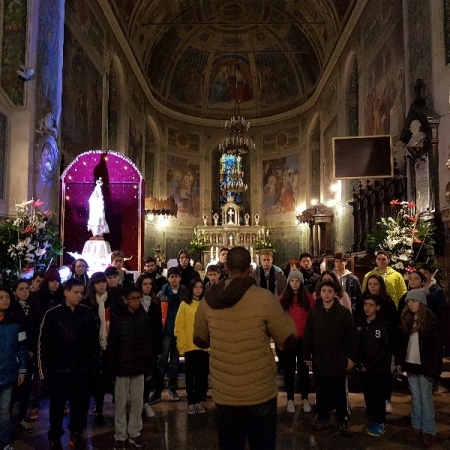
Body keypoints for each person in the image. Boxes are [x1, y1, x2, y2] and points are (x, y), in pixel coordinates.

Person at [194, 246, 297, 450]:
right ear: (250, 269)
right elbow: (288, 339)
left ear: (225, 267)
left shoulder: (209, 300)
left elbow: (200, 340)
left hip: (225, 392)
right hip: (260, 392)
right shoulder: (265, 298)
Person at [37, 278, 98, 450]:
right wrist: (43, 372)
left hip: (81, 369)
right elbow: (44, 344)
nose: (79, 296)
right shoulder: (53, 314)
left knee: (80, 406)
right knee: (56, 408)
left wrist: (94, 366)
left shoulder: (86, 313)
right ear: (66, 292)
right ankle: (55, 436)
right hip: (59, 371)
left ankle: (76, 432)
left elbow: (93, 343)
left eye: (81, 292)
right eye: (76, 292)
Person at [303, 280, 358, 435]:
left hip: (338, 358)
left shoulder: (343, 313)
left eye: (330, 291)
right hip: (320, 359)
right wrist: (307, 356)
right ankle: (322, 418)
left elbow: (352, 337)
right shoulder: (314, 312)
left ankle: (342, 419)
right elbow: (308, 336)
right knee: (321, 391)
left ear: (335, 294)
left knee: (339, 392)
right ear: (319, 293)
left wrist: (352, 357)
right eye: (324, 290)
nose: (326, 294)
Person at [108, 287, 153, 450]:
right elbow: (112, 344)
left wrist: (148, 367)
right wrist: (111, 369)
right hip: (121, 365)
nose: (136, 301)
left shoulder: (143, 317)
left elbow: (148, 343)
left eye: (138, 298)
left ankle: (134, 431)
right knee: (120, 402)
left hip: (139, 364)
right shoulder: (118, 318)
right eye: (133, 298)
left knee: (137, 401)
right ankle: (120, 434)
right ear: (125, 300)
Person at [396, 288, 441, 446]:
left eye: (413, 301)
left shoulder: (430, 321)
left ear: (421, 303)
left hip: (425, 365)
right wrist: (401, 362)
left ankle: (428, 429)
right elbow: (403, 344)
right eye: (408, 301)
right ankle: (416, 426)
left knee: (426, 398)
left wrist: (434, 368)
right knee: (415, 397)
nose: (410, 304)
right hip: (412, 364)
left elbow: (436, 347)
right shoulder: (407, 319)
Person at [82, 272, 117, 426]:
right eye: (98, 282)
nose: (102, 285)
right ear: (93, 285)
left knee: (106, 378)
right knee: (94, 378)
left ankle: (103, 408)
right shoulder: (88, 302)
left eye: (104, 281)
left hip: (109, 344)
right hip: (92, 346)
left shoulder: (112, 299)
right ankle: (96, 408)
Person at [277, 270, 314, 414]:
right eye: (292, 281)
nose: (294, 283)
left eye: (297, 281)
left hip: (304, 339)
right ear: (288, 282)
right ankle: (290, 399)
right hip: (290, 338)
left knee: (304, 370)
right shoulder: (283, 298)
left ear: (301, 282)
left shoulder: (308, 298)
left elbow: (311, 318)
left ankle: (305, 398)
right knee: (289, 370)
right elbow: (279, 318)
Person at [150, 267, 188, 404]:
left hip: (179, 331)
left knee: (175, 362)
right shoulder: (162, 293)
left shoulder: (184, 292)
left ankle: (172, 388)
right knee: (162, 360)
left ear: (180, 278)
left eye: (177, 276)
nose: (174, 279)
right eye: (172, 276)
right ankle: (158, 390)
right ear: (168, 278)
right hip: (166, 331)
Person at [361, 274, 398, 414]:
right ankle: (370, 402)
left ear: (380, 286)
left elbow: (393, 326)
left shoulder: (387, 302)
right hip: (367, 345)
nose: (372, 286)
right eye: (370, 284)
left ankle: (386, 400)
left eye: (375, 284)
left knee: (384, 375)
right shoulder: (363, 301)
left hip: (383, 346)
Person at [356, 295, 391, 437]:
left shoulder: (382, 325)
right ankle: (372, 417)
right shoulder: (360, 323)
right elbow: (357, 345)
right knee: (368, 394)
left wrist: (370, 363)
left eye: (371, 305)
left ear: (377, 307)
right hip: (364, 367)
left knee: (378, 395)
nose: (368, 307)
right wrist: (360, 362)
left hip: (378, 368)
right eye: (366, 304)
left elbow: (385, 348)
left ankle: (379, 421)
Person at [174, 278, 209, 415]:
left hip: (203, 346)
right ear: (191, 288)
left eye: (201, 287)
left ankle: (199, 400)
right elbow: (179, 326)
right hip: (189, 345)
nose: (198, 289)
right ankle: (191, 401)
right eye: (196, 287)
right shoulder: (184, 305)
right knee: (190, 375)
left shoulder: (206, 305)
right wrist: (181, 345)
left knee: (201, 376)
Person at [10, 279, 40, 432]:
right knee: (14, 388)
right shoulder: (12, 308)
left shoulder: (33, 306)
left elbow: (36, 329)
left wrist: (32, 348)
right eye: (21, 289)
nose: (24, 292)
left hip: (30, 352)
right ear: (14, 291)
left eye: (26, 288)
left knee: (26, 386)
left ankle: (21, 417)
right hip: (15, 353)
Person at [0, 284, 28, 450]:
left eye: (7, 297)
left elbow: (22, 346)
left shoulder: (16, 320)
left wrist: (22, 369)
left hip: (9, 371)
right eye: (1, 297)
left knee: (5, 411)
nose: (5, 300)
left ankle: (4, 443)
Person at [135, 273, 162, 419]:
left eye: (149, 284)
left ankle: (145, 402)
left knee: (148, 376)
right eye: (145, 284)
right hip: (137, 344)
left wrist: (158, 347)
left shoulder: (154, 302)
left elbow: (158, 326)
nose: (147, 287)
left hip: (150, 345)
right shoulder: (134, 301)